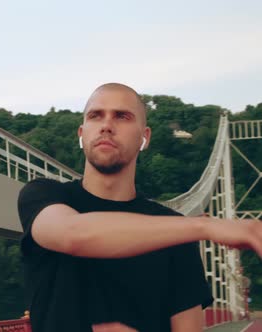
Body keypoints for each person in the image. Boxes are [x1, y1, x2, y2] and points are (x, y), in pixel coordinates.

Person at [18, 83, 262, 332]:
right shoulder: (43, 195)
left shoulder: (177, 233)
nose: (106, 125)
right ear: (82, 133)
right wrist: (206, 226)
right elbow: (72, 234)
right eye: (95, 115)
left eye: (122, 116)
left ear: (144, 137)